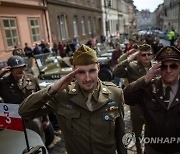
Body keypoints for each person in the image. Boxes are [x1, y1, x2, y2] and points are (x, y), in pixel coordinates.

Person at [19, 44, 127, 154]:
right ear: (73, 70)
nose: (88, 78)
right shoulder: (62, 95)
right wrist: (52, 90)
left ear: (98, 68)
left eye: (92, 71)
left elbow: (121, 134)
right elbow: (24, 112)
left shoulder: (115, 94)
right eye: (81, 72)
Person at [124, 46, 180, 154]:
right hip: (153, 149)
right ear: (158, 67)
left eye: (173, 66)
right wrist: (144, 79)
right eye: (164, 66)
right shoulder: (149, 87)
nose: (168, 71)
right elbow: (126, 98)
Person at [0, 56, 59, 148]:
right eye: (16, 68)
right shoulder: (3, 83)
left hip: (32, 116)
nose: (20, 70)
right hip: (14, 119)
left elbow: (42, 99)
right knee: (19, 144)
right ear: (10, 69)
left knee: (38, 141)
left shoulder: (32, 79)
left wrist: (46, 119)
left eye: (22, 67)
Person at [113, 44, 153, 154]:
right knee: (137, 131)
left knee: (153, 130)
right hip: (137, 106)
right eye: (143, 55)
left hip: (153, 106)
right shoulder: (132, 66)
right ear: (138, 56)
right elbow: (116, 72)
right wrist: (129, 58)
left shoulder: (155, 67)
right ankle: (139, 149)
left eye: (149, 54)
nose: (147, 57)